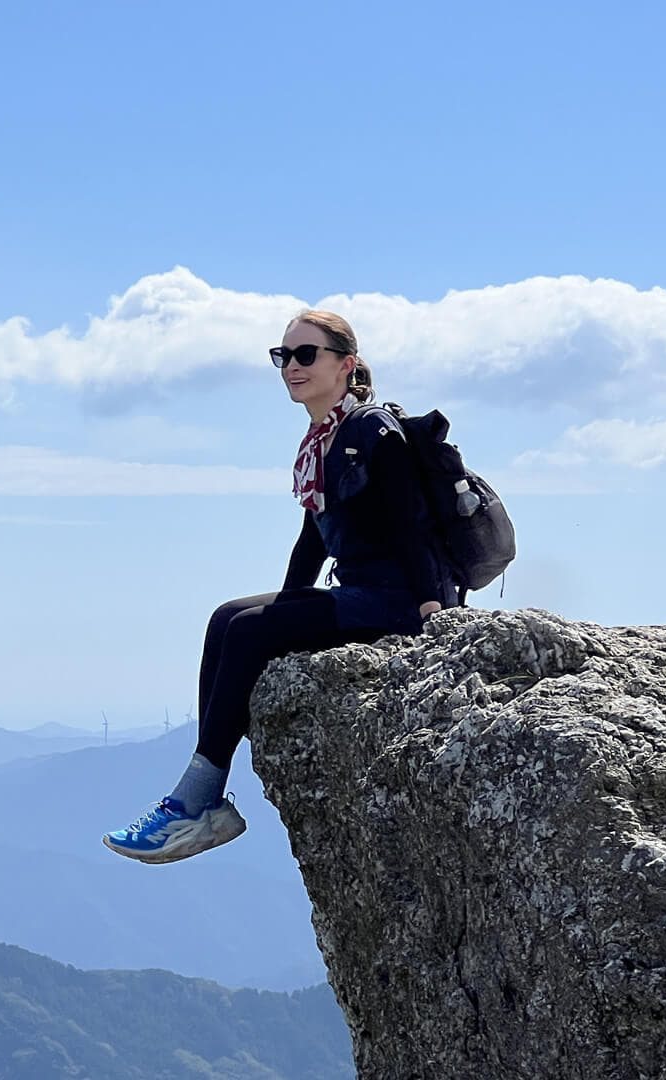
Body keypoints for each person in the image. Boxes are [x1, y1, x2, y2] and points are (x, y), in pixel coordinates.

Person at [103, 309, 453, 864]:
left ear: (347, 365)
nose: (291, 366)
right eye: (282, 356)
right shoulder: (324, 440)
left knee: (248, 631)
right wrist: (289, 603)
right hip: (358, 593)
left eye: (306, 354)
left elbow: (411, 522)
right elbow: (313, 540)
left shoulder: (370, 430)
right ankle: (207, 793)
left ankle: (196, 804)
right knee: (228, 619)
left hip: (396, 601)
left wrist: (435, 613)